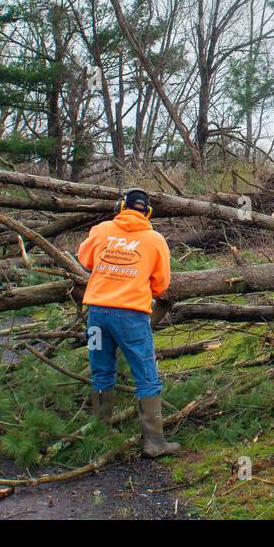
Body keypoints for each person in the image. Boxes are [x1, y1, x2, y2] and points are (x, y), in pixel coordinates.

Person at [75, 187, 179, 457]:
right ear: (148, 212)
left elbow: (85, 259)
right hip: (131, 316)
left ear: (122, 206)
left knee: (101, 370)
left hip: (96, 314)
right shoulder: (155, 240)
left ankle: (101, 430)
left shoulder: (101, 230)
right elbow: (161, 284)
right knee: (146, 375)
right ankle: (154, 442)